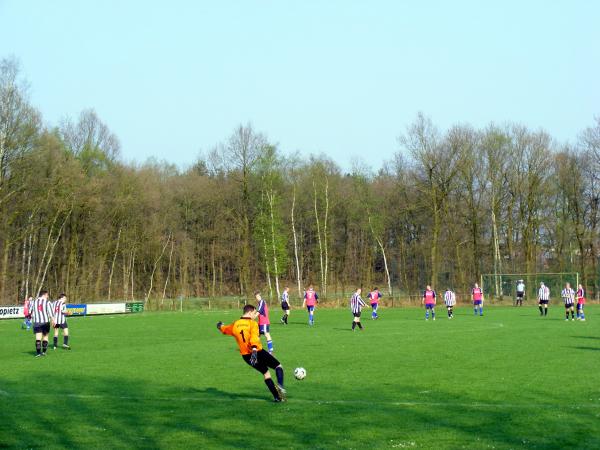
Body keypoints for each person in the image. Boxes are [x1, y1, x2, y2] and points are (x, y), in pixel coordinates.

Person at [217, 304, 286, 402]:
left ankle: (277, 397)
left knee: (266, 373)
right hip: (257, 352)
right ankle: (280, 385)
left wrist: (220, 326)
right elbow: (254, 337)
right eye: (254, 313)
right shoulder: (252, 323)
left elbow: (225, 330)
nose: (255, 315)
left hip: (246, 356)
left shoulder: (235, 324)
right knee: (278, 366)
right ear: (249, 312)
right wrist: (254, 350)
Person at [30, 290, 53, 357]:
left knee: (38, 338)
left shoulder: (33, 302)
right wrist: (53, 320)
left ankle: (38, 353)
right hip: (45, 322)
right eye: (47, 295)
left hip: (37, 322)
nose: (47, 297)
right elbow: (51, 313)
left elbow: (29, 311)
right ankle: (44, 352)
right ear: (44, 295)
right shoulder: (47, 302)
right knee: (45, 337)